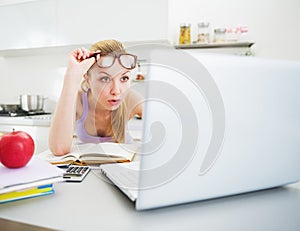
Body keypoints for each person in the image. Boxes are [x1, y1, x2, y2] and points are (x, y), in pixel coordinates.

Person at [49, 39, 143, 156]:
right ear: (87, 79)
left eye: (124, 78)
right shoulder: (78, 100)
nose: (116, 91)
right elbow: (59, 149)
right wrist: (71, 77)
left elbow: (166, 129)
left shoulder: (131, 98)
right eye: (105, 79)